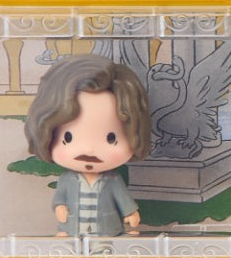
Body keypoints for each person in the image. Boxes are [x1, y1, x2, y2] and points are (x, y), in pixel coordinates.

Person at [24, 54, 151, 237]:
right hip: (74, 231)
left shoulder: (113, 180)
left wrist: (131, 212)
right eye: (68, 137)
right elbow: (60, 199)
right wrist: (60, 207)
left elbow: (123, 199)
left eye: (111, 138)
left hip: (107, 232)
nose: (89, 150)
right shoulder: (67, 179)